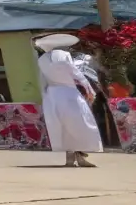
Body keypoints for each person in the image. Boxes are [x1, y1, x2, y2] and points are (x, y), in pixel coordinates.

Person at [35, 34, 101, 167]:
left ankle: (70, 158)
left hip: (53, 95)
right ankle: (79, 157)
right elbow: (76, 73)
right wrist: (89, 90)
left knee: (63, 126)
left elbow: (42, 80)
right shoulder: (63, 55)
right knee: (79, 124)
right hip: (69, 93)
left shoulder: (41, 59)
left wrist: (45, 96)